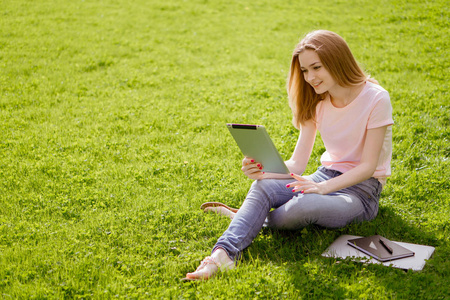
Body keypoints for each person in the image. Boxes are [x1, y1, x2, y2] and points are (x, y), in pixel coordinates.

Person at [182, 30, 393, 281]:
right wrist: (264, 171)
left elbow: (368, 166)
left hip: (361, 192)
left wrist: (323, 188)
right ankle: (222, 255)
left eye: (316, 67)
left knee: (305, 205)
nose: (310, 77)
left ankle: (247, 216)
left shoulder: (376, 98)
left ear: (337, 60)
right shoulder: (316, 101)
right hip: (322, 176)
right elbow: (298, 163)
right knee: (264, 185)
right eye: (304, 71)